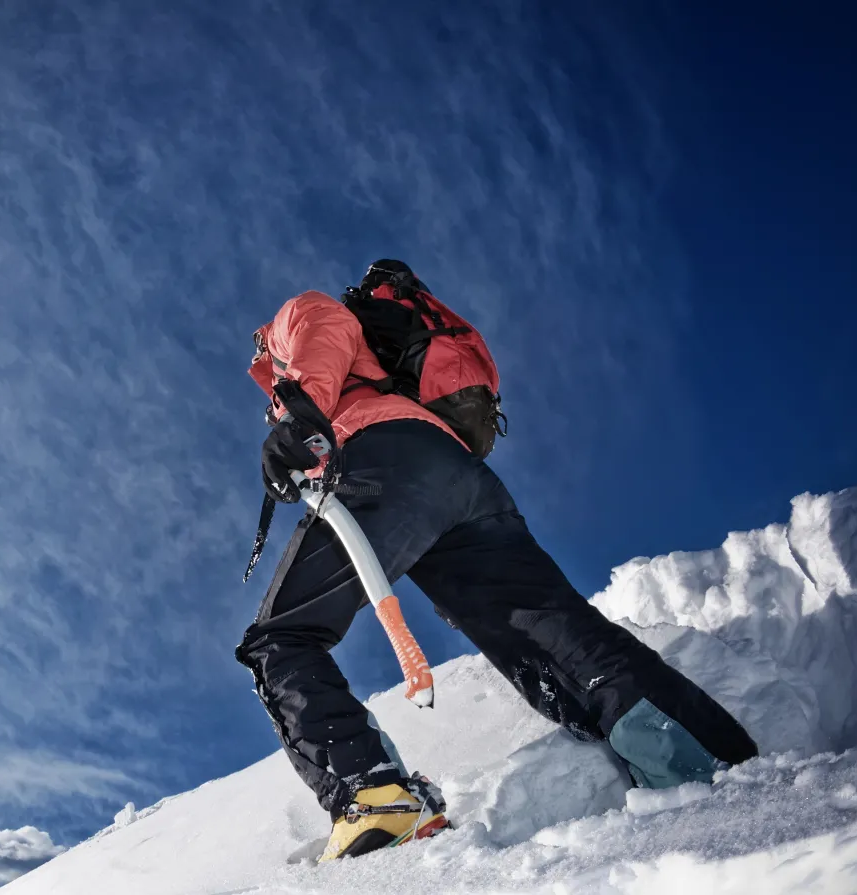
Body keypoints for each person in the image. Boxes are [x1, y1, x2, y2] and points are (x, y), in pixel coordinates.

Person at [235, 260, 759, 862]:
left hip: (383, 463)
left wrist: (300, 414)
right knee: (544, 630)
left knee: (282, 639)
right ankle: (698, 757)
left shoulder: (296, 319)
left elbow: (326, 324)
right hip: (457, 475)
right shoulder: (372, 365)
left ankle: (374, 799)